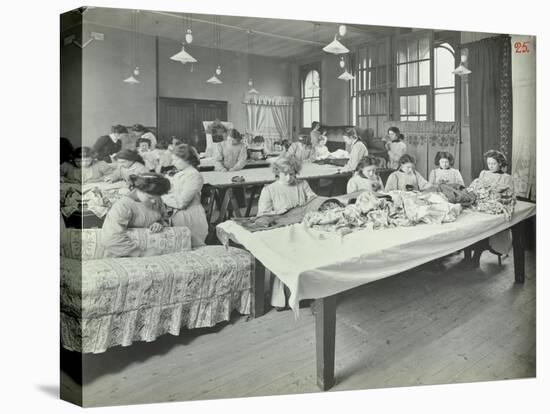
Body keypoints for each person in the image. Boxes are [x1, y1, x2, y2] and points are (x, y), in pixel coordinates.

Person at [257, 155, 318, 309]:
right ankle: (282, 299)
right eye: (286, 174)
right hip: (281, 230)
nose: (290, 177)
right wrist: (279, 213)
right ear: (277, 172)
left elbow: (314, 202)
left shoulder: (302, 185)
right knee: (285, 260)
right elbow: (262, 216)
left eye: (292, 174)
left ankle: (306, 295)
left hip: (303, 227)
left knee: (309, 257)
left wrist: (308, 206)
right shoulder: (269, 190)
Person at [100, 173, 171, 258]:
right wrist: (141, 253)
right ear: (138, 189)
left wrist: (160, 223)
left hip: (151, 250)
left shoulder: (156, 198)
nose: (154, 202)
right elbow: (110, 238)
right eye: (150, 198)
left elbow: (165, 218)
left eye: (157, 197)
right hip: (124, 253)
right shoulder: (123, 205)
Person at [161, 144, 208, 247]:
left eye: (175, 160)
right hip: (178, 213)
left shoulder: (194, 176)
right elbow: (171, 192)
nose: (173, 163)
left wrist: (162, 197)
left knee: (189, 245)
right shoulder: (180, 173)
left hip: (190, 216)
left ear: (186, 160)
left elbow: (181, 203)